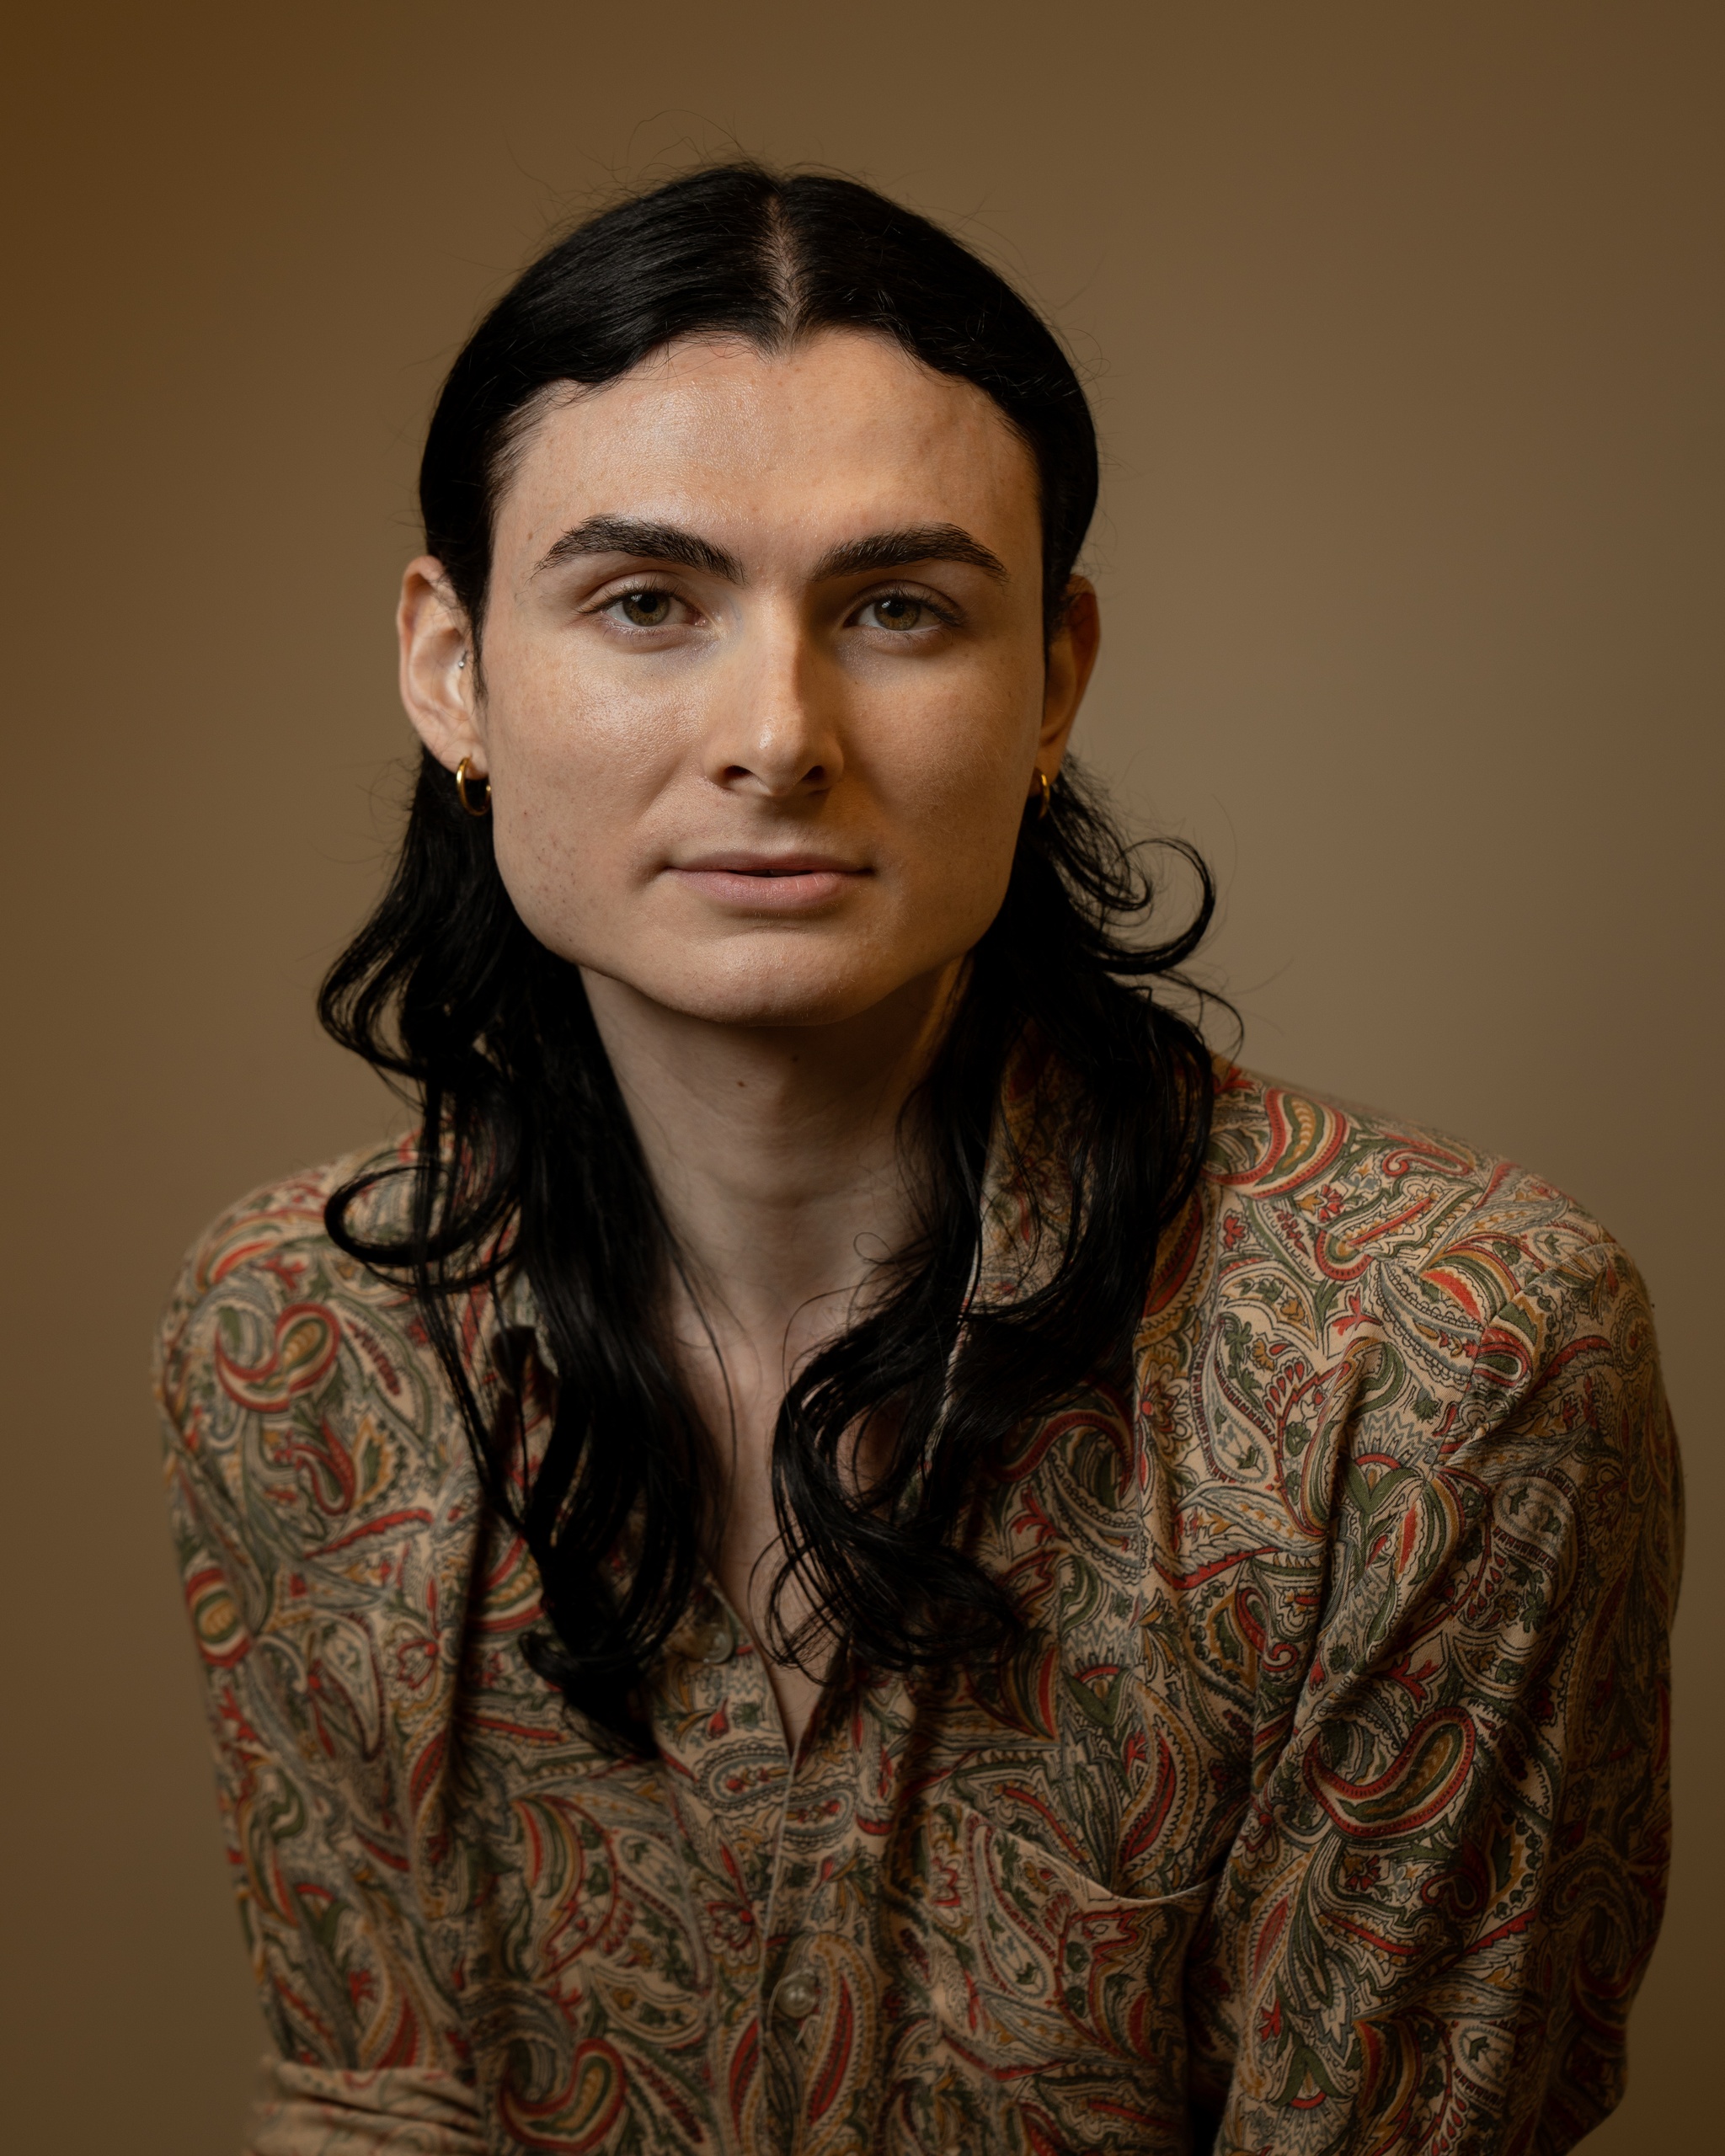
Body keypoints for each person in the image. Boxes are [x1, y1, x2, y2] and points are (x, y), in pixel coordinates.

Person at [155, 165, 1680, 2156]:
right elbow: (376, 2104)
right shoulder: (296, 1336)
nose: (776, 733)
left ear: (1050, 680)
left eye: (895, 607)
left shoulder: (1438, 1368)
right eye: (645, 602)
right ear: (453, 666)